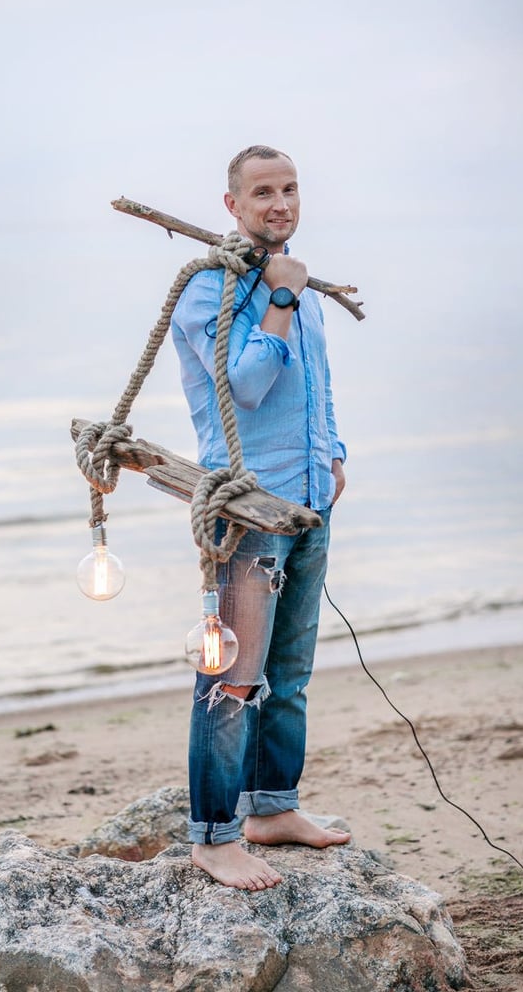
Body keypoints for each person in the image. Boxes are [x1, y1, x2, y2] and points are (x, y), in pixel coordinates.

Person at [171, 145, 350, 890]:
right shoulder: (207, 293)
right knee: (232, 680)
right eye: (263, 192)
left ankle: (273, 808)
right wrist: (277, 298)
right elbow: (245, 384)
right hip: (248, 509)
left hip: (308, 502)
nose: (280, 203)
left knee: (292, 674)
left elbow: (319, 382)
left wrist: (334, 454)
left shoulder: (298, 288)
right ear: (232, 205)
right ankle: (213, 837)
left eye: (290, 188)